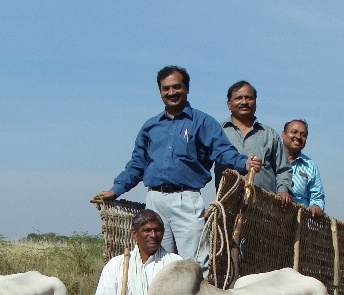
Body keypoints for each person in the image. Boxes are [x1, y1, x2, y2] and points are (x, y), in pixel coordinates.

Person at [93, 66, 261, 271]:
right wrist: (115, 189)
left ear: (187, 88)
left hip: (186, 199)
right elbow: (137, 164)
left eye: (176, 87)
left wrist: (244, 163)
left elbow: (223, 151)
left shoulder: (202, 122)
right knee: (156, 262)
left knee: (194, 263)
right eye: (166, 89)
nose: (171, 92)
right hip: (155, 200)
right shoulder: (150, 127)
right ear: (160, 91)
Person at [93, 209, 181, 295]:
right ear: (134, 234)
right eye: (147, 230)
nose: (153, 235)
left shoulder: (176, 264)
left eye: (157, 230)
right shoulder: (116, 265)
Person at [221, 81, 292, 209]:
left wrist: (283, 190)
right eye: (238, 98)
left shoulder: (270, 135)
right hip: (228, 207)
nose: (244, 102)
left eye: (249, 98)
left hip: (264, 211)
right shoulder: (218, 132)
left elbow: (283, 169)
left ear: (255, 103)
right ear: (229, 104)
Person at [282, 119, 325, 217]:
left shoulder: (310, 165)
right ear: (283, 134)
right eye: (294, 132)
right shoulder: (270, 158)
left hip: (298, 222)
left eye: (303, 134)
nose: (298, 137)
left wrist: (316, 206)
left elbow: (317, 196)